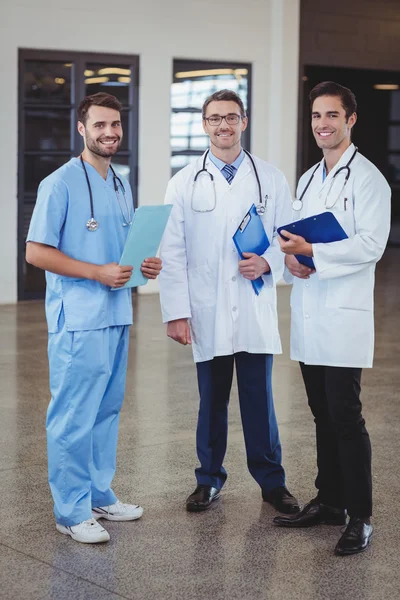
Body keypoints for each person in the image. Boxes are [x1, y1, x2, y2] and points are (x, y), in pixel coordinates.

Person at [26, 92, 162, 544]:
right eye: (100, 125)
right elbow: (36, 252)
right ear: (81, 129)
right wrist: (95, 272)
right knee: (73, 415)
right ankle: (70, 510)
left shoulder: (120, 184)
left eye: (115, 125)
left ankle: (99, 494)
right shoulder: (59, 183)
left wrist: (144, 264)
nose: (109, 133)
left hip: (117, 312)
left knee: (106, 410)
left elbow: (118, 251)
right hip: (79, 319)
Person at [159, 89, 299, 514]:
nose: (224, 125)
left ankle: (273, 484)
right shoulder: (183, 181)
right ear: (204, 124)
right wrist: (177, 313)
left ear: (244, 121)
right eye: (215, 118)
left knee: (260, 401)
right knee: (211, 401)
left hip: (253, 306)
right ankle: (208, 480)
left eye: (231, 117)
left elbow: (289, 239)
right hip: (207, 308)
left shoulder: (270, 178)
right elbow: (172, 251)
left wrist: (270, 261)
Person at [274, 81, 391, 556]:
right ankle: (331, 500)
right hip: (310, 309)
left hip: (343, 316)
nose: (322, 124)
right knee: (321, 414)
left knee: (345, 415)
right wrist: (294, 259)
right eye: (316, 116)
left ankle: (360, 515)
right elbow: (296, 238)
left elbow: (370, 245)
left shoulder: (368, 179)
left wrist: (314, 253)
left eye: (332, 116)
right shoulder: (307, 178)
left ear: (351, 120)